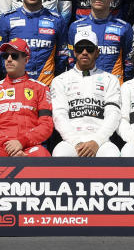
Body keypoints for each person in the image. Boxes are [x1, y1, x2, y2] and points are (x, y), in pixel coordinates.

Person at [50, 28, 122, 157]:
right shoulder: (59, 80)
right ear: (74, 52)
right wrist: (75, 142)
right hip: (70, 141)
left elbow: (113, 115)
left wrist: (97, 141)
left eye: (89, 48)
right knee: (60, 154)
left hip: (101, 141)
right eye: (80, 48)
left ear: (97, 52)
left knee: (113, 155)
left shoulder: (111, 80)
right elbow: (59, 115)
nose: (84, 52)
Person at [0, 38, 53, 157]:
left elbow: (46, 125)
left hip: (31, 145)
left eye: (14, 56)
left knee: (43, 156)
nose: (9, 59)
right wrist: (9, 146)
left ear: (26, 59)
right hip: (3, 146)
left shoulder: (41, 88)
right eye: (5, 56)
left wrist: (21, 142)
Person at [0, 0, 67, 84]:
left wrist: (56, 81)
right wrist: (6, 80)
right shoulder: (7, 19)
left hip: (47, 85)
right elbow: (0, 56)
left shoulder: (56, 20)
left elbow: (62, 55)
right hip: (16, 84)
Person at [66, 0, 133, 83]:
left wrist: (123, 84)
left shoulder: (124, 27)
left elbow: (129, 62)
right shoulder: (75, 27)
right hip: (84, 86)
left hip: (114, 87)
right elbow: (71, 61)